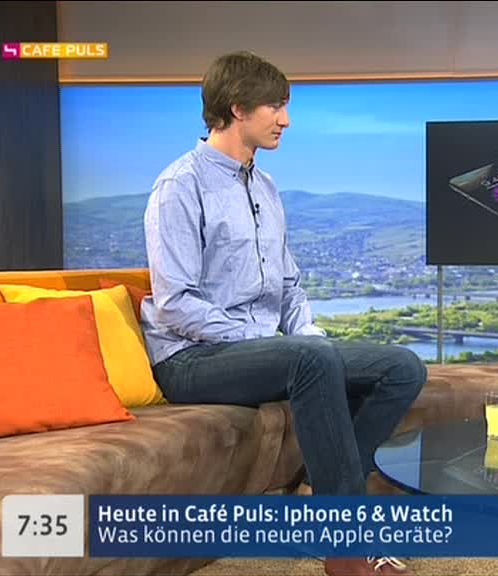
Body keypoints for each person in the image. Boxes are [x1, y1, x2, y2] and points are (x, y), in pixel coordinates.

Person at [141, 51, 426, 576]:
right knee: (309, 360)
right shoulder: (179, 186)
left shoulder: (266, 188)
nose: (286, 120)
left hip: (262, 350)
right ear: (237, 108)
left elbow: (288, 284)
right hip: (190, 358)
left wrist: (306, 334)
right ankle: (346, 549)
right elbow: (176, 302)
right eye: (275, 106)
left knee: (403, 367)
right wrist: (275, 344)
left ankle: (317, 491)